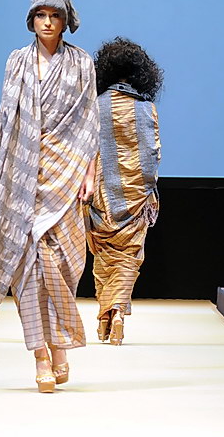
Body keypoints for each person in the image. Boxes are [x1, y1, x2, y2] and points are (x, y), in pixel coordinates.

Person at [0, 0, 99, 393]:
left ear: (66, 20)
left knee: (64, 263)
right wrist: (4, 170)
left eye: (55, 15)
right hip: (23, 175)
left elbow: (90, 125)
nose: (47, 22)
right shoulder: (17, 61)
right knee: (27, 264)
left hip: (66, 174)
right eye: (41, 15)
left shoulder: (82, 63)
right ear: (31, 19)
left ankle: (60, 345)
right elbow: (4, 118)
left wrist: (88, 174)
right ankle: (42, 355)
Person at [86, 37, 163, 346]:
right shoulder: (146, 109)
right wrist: (145, 190)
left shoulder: (94, 106)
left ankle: (104, 319)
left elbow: (86, 152)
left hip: (101, 196)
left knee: (103, 257)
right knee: (128, 257)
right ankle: (117, 313)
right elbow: (152, 155)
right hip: (135, 197)